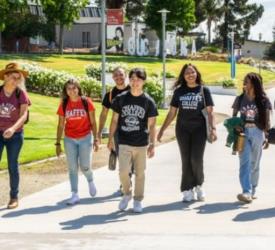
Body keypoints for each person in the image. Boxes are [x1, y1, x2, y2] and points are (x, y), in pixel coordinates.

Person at [157, 63, 217, 202]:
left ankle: (199, 185)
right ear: (183, 76)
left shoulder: (204, 90)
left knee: (196, 159)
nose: (190, 75)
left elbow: (210, 112)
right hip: (182, 130)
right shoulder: (179, 91)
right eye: (187, 73)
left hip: (199, 129)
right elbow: (172, 112)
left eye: (192, 72)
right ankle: (186, 189)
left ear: (197, 73)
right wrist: (162, 130)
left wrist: (213, 129)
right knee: (186, 159)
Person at [107, 68, 158, 213]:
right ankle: (127, 193)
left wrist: (153, 144)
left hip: (141, 143)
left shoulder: (148, 101)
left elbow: (152, 124)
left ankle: (137, 200)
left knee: (140, 173)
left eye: (138, 79)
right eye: (133, 79)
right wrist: (110, 139)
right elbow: (114, 120)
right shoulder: (121, 98)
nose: (135, 82)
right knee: (123, 171)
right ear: (129, 80)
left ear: (144, 82)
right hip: (124, 141)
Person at [56, 79, 99, 205]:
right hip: (70, 139)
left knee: (85, 166)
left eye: (74, 88)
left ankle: (90, 180)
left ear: (78, 89)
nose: (72, 91)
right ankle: (74, 194)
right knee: (72, 168)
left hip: (85, 137)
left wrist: (96, 139)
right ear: (66, 91)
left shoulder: (86, 102)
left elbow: (93, 122)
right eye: (68, 88)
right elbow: (60, 125)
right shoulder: (64, 104)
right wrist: (58, 143)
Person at [232, 72, 271, 203]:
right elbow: (234, 117)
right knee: (244, 163)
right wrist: (235, 129)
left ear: (254, 84)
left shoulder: (264, 100)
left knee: (255, 163)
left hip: (258, 132)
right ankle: (246, 191)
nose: (244, 83)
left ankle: (253, 188)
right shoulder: (240, 99)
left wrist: (267, 137)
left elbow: (267, 120)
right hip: (243, 133)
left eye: (247, 81)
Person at [0, 62, 30, 209]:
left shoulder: (21, 94)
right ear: (5, 77)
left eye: (18, 78)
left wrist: (12, 129)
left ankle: (14, 197)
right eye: (13, 77)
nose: (16, 80)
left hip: (15, 135)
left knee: (12, 165)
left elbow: (24, 115)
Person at [97, 67, 130, 194]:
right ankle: (125, 183)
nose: (118, 77)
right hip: (118, 131)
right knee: (123, 159)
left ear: (125, 75)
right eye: (116, 75)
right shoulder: (110, 95)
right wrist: (99, 133)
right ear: (113, 78)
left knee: (131, 158)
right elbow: (104, 114)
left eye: (121, 74)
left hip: (134, 129)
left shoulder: (133, 90)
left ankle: (127, 180)